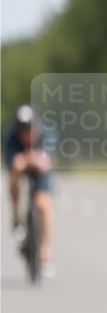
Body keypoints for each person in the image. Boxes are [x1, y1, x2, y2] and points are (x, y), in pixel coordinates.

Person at [4, 105, 56, 278]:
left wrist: (29, 159)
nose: (26, 134)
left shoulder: (47, 135)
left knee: (43, 202)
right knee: (14, 178)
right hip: (22, 166)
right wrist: (25, 161)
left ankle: (46, 251)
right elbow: (14, 165)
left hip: (41, 170)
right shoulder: (10, 138)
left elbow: (44, 164)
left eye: (30, 130)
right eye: (22, 131)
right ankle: (16, 217)